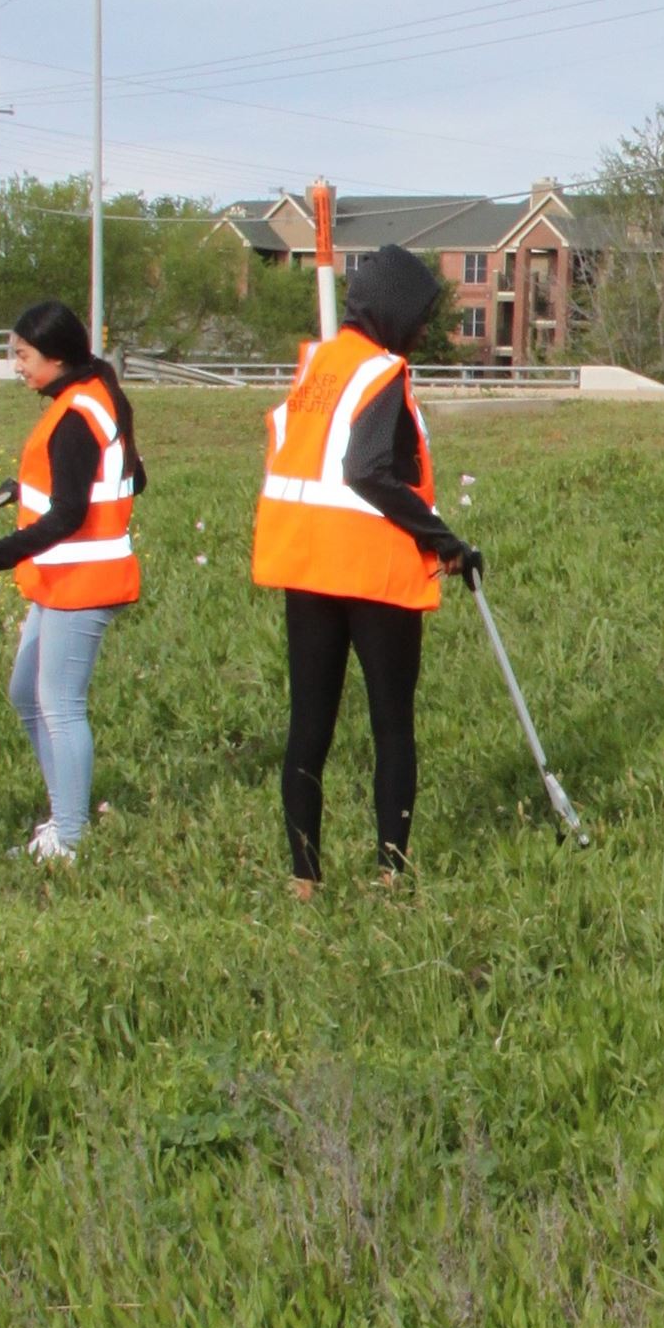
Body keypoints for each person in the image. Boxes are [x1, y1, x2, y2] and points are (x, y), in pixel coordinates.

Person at [250, 241, 481, 895]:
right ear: (396, 312)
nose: (419, 331)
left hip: (306, 566)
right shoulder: (380, 374)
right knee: (391, 726)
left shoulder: (315, 369)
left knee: (309, 725)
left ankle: (304, 878)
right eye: (419, 318)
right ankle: (390, 871)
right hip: (372, 572)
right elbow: (367, 472)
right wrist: (444, 541)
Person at [0, 301, 143, 864]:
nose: (17, 365)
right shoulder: (84, 397)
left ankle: (70, 838)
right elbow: (130, 475)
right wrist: (28, 486)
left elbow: (65, 517)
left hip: (84, 580)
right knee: (25, 695)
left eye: (23, 355)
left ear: (56, 357)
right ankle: (66, 813)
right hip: (60, 577)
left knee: (59, 704)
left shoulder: (77, 413)